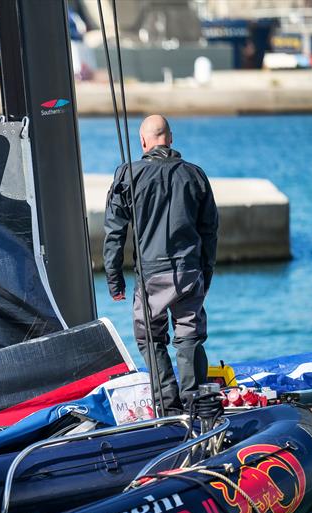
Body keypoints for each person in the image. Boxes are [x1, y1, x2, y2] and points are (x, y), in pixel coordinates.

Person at [103, 115, 218, 415]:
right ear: (171, 138)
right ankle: (195, 403)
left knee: (149, 338)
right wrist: (206, 273)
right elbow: (210, 231)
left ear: (143, 142)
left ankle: (167, 406)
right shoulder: (196, 176)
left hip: (151, 276)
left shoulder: (127, 175)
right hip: (189, 272)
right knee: (189, 336)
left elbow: (114, 232)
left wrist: (115, 281)